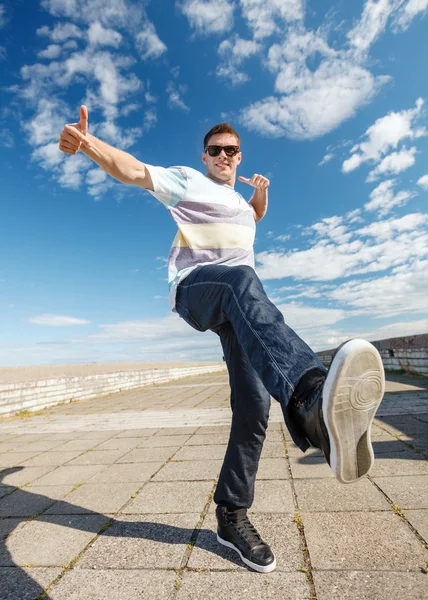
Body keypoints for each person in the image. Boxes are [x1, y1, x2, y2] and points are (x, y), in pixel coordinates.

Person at [59, 107, 385, 574]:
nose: (224, 157)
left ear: (239, 156)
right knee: (240, 280)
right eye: (216, 150)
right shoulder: (189, 181)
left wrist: (261, 195)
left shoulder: (241, 207)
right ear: (205, 156)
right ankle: (312, 397)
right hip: (199, 289)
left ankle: (231, 515)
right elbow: (131, 170)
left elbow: (252, 216)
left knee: (254, 406)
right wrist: (89, 145)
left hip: (241, 309)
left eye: (232, 151)